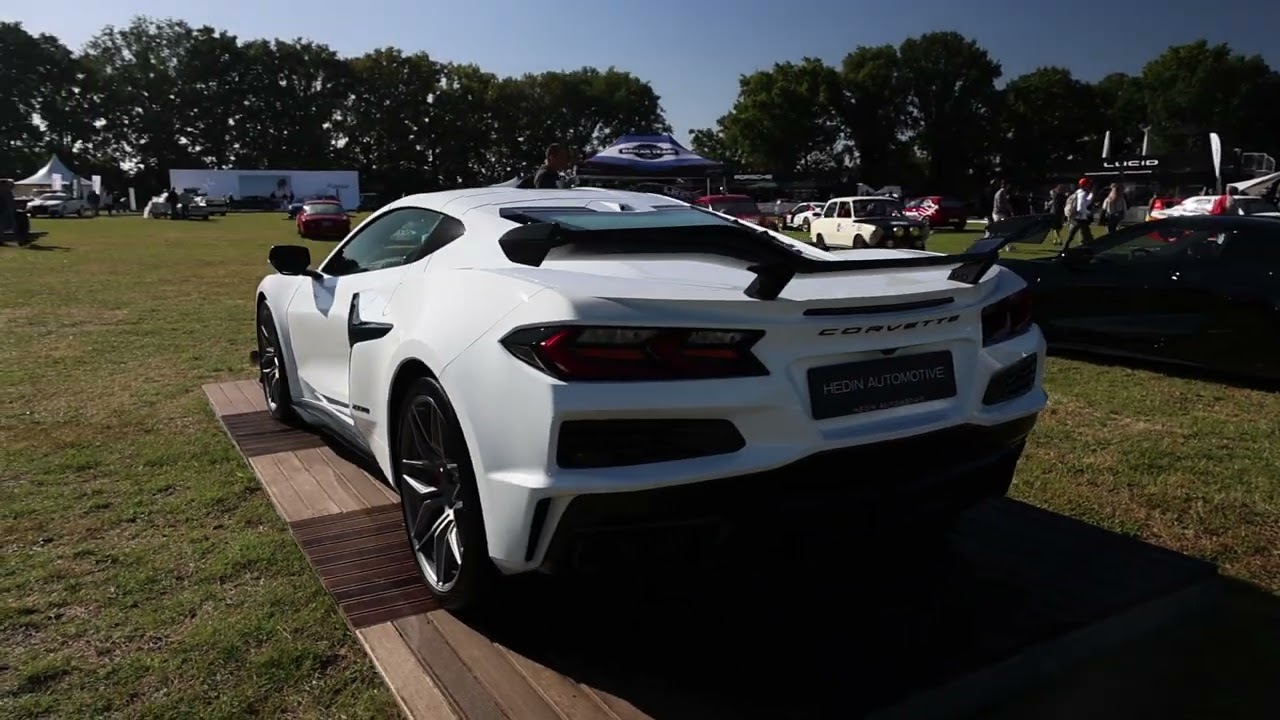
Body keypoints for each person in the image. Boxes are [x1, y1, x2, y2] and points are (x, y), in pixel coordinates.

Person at [1065, 178, 1094, 247]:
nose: (1090, 185)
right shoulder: (1082, 194)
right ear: (1086, 185)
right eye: (1089, 184)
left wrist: (1091, 195)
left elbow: (1085, 203)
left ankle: (1065, 248)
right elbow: (1080, 207)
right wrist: (1088, 212)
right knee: (1087, 236)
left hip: (1076, 217)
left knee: (1072, 236)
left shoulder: (1078, 193)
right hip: (1080, 218)